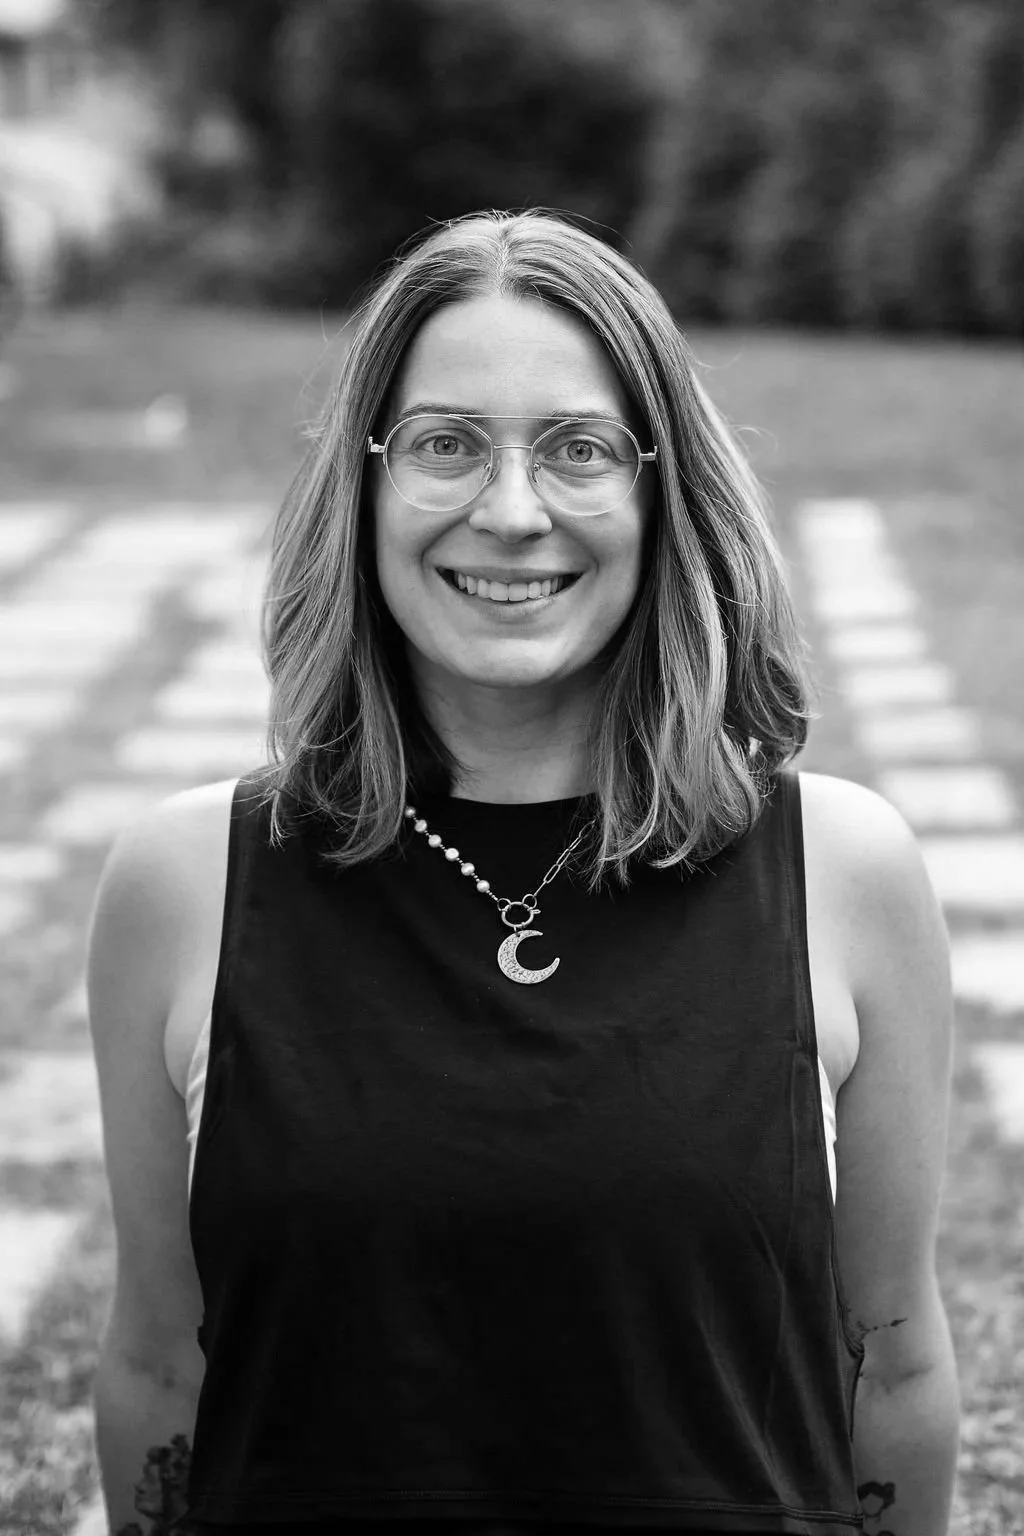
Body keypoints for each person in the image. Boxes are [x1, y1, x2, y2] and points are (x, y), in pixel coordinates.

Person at [87, 209, 960, 1536]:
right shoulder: (184, 880)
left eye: (579, 449)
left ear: (664, 491)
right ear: (364, 483)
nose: (509, 511)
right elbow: (161, 1365)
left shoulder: (845, 872)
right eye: (445, 444)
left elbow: (890, 1366)